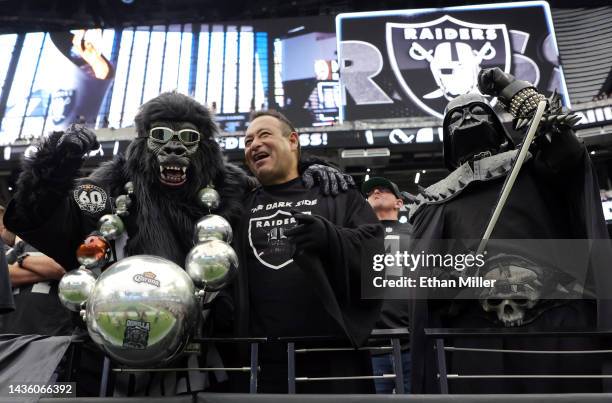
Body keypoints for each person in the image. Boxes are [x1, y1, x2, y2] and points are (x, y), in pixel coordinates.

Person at [408, 68, 612, 393]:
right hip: (478, 337)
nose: (467, 119)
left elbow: (569, 152)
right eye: (456, 117)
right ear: (447, 140)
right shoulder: (436, 201)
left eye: (477, 111)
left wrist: (515, 92)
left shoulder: (532, 166)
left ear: (498, 127)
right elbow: (424, 286)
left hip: (556, 323)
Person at [232, 110, 383, 393]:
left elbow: (377, 255)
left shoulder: (335, 192)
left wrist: (331, 237)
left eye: (264, 135)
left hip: (333, 360)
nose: (254, 144)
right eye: (248, 140)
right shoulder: (239, 206)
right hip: (263, 362)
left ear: (292, 141)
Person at [362, 177, 412, 394]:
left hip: (411, 342)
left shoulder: (417, 234)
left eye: (383, 189)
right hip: (373, 345)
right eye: (371, 191)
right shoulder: (356, 236)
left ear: (399, 203)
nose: (375, 191)